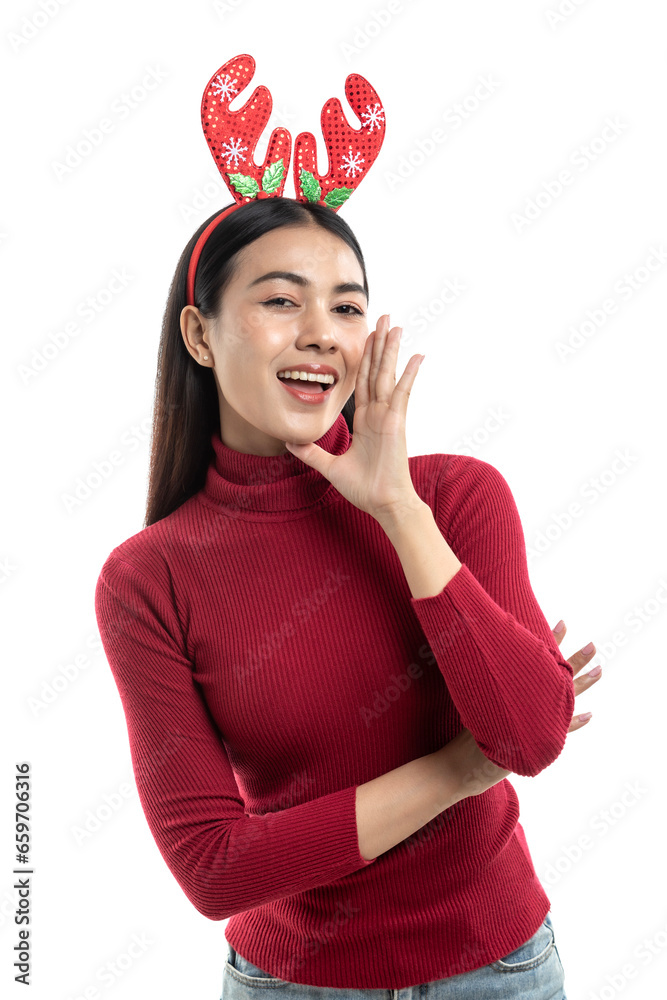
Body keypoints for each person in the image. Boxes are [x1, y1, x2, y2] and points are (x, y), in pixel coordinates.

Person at [94, 196, 600, 997]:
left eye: (347, 306)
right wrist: (458, 772)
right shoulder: (148, 579)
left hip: (498, 970)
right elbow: (214, 869)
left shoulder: (456, 496)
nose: (321, 332)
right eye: (280, 300)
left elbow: (529, 740)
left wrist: (398, 509)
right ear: (199, 335)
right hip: (289, 982)